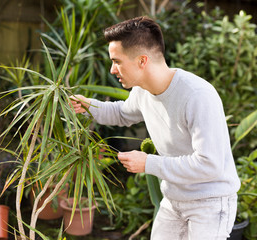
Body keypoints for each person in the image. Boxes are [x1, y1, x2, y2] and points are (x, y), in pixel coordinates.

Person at [70, 16, 240, 240]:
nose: (112, 70)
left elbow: (210, 165)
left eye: (117, 61)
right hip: (174, 199)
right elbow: (122, 113)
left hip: (209, 203)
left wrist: (148, 163)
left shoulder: (197, 96)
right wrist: (88, 105)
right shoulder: (143, 91)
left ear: (142, 61)